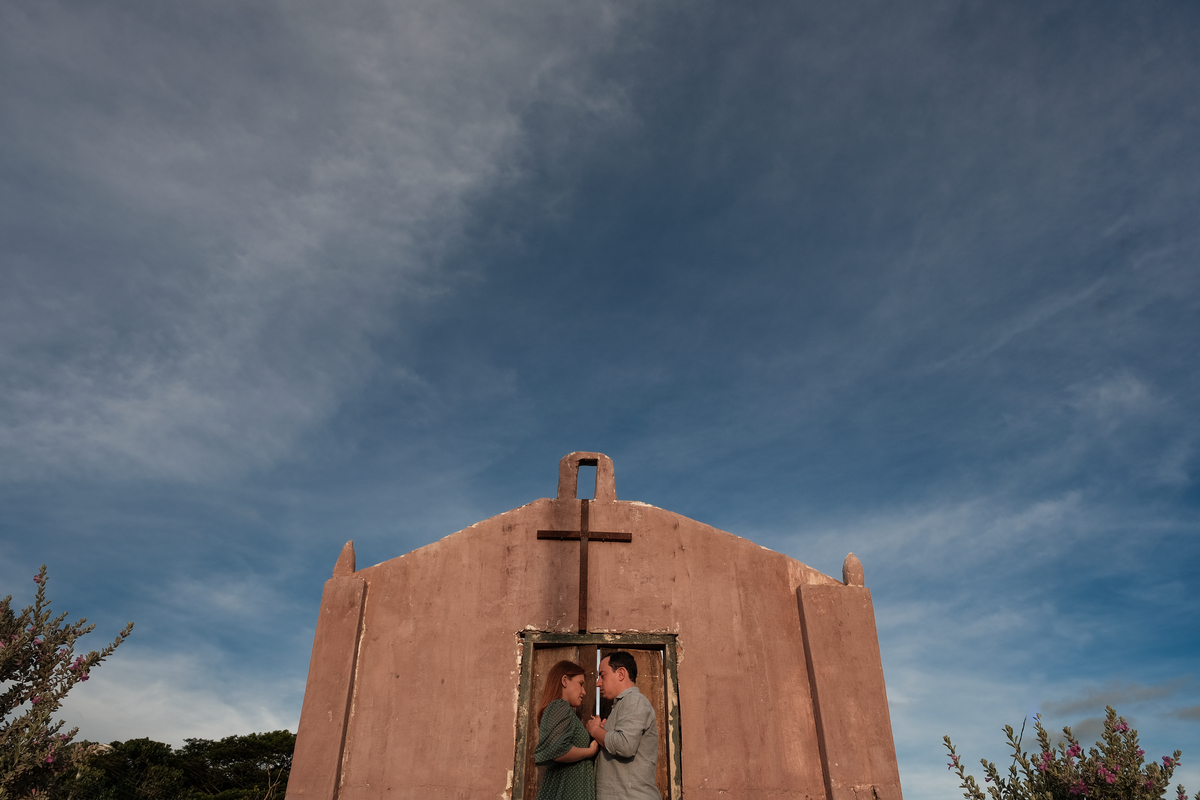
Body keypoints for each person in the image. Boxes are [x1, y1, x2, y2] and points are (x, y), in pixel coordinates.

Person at [585, 652, 659, 800]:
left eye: (603, 676)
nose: (598, 683)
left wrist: (595, 730)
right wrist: (603, 732)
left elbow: (624, 745)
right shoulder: (622, 705)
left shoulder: (634, 700)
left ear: (621, 674)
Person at [534, 660, 599, 800]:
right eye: (581, 684)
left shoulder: (561, 710)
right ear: (564, 681)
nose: (584, 692)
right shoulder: (560, 705)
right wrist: (590, 751)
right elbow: (559, 750)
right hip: (567, 791)